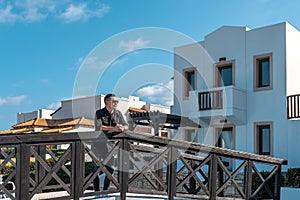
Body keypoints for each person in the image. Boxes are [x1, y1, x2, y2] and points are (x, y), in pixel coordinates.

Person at [93, 93, 128, 191]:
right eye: (113, 101)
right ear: (106, 102)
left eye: (116, 101)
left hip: (111, 147)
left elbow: (126, 126)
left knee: (111, 169)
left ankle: (105, 191)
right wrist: (113, 128)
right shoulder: (99, 113)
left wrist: (122, 128)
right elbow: (98, 127)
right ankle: (96, 192)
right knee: (96, 170)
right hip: (98, 146)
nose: (116, 103)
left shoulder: (118, 113)